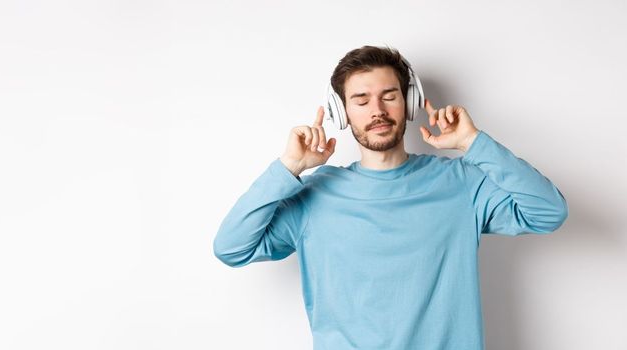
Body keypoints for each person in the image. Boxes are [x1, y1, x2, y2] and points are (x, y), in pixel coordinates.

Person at [212, 45, 568, 350]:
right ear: (342, 112)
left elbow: (548, 211)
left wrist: (474, 144)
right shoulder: (313, 195)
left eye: (389, 95)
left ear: (408, 102)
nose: (377, 110)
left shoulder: (460, 182)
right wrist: (288, 167)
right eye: (361, 100)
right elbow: (231, 247)